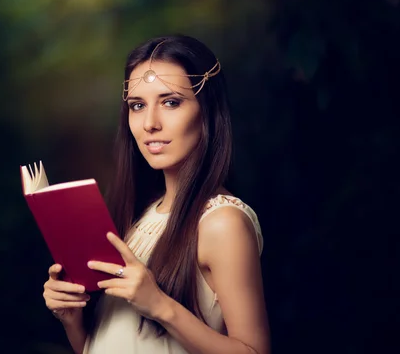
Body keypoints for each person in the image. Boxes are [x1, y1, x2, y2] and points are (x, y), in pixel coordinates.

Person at [42, 35, 270, 354]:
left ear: (207, 111)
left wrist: (160, 305)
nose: (150, 123)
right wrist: (73, 321)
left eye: (170, 102)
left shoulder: (222, 222)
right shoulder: (142, 217)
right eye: (137, 105)